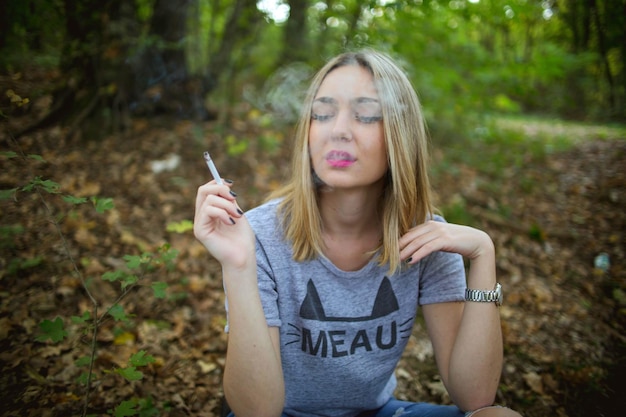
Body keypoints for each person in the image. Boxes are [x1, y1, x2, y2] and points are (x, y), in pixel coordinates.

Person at [194, 49, 522, 417]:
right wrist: (239, 267)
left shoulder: (429, 238)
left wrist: (482, 253)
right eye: (322, 114)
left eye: (365, 115)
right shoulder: (257, 236)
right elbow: (257, 412)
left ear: (400, 135)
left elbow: (475, 397)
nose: (338, 131)